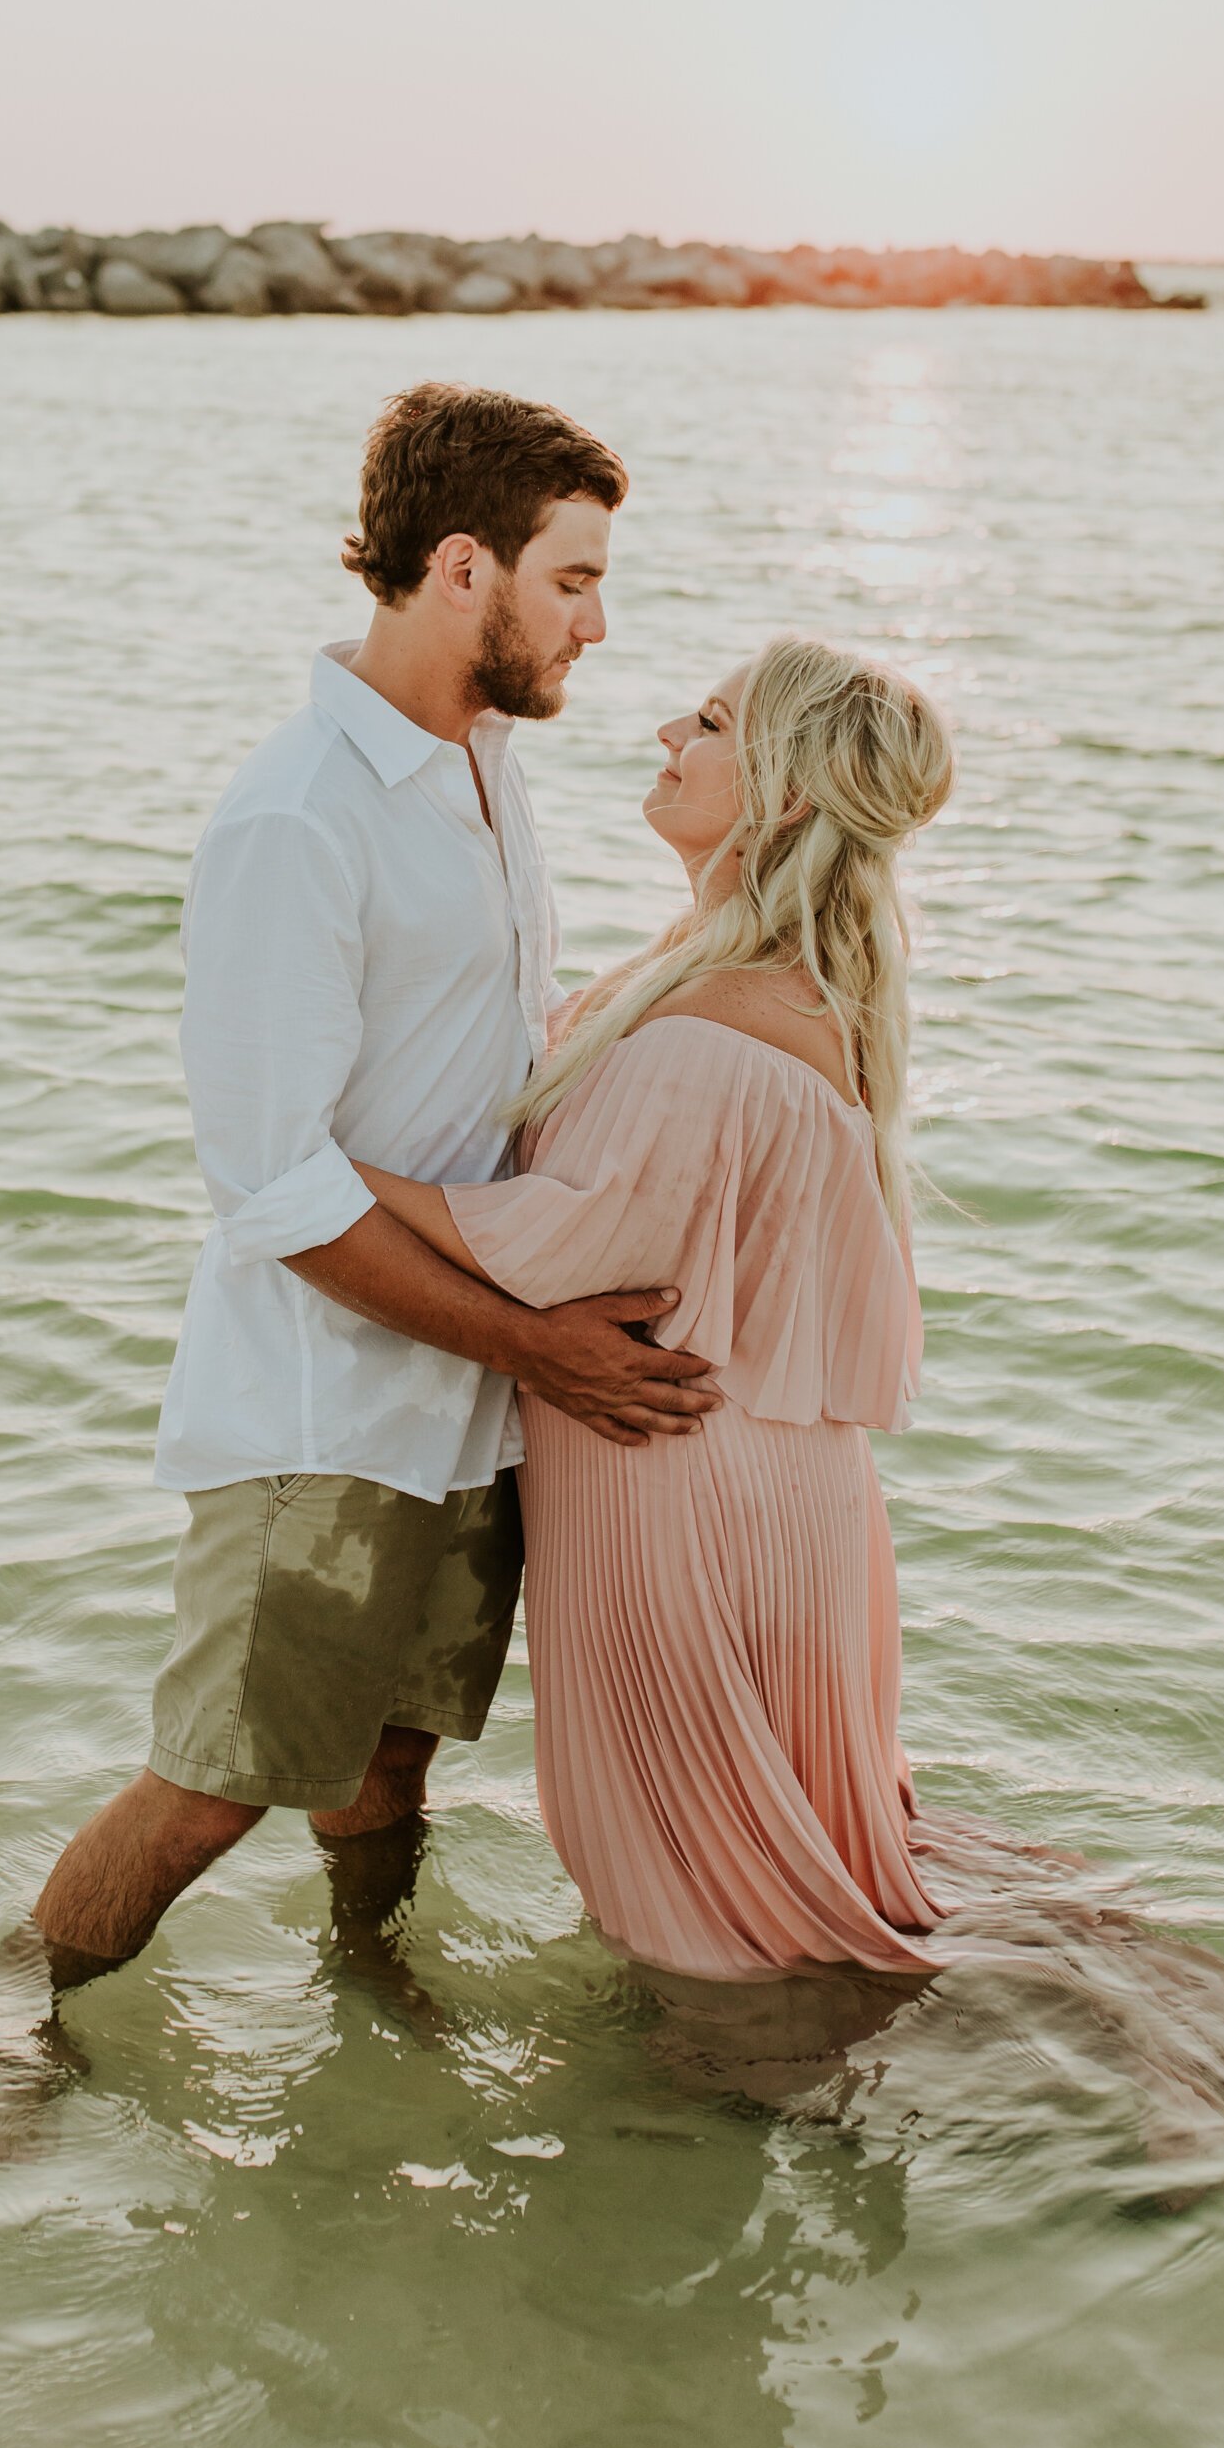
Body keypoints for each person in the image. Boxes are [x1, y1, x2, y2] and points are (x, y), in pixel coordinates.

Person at [22, 383, 721, 1995]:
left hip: (465, 1405)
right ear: (464, 568)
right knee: (213, 1787)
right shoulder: (297, 817)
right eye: (575, 579)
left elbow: (484, 1057)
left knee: (392, 1763)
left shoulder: (484, 765)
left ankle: (370, 2000)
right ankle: (12, 2046)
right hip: (324, 1413)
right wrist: (541, 1347)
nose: (600, 626)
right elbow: (273, 1182)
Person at [354, 633, 957, 1978]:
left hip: (682, 1494)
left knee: (706, 1933)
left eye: (704, 724)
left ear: (787, 789)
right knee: (758, 1886)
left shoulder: (709, 1026)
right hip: (761, 1482)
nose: (665, 742)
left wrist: (307, 1161)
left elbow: (553, 1254)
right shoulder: (756, 975)